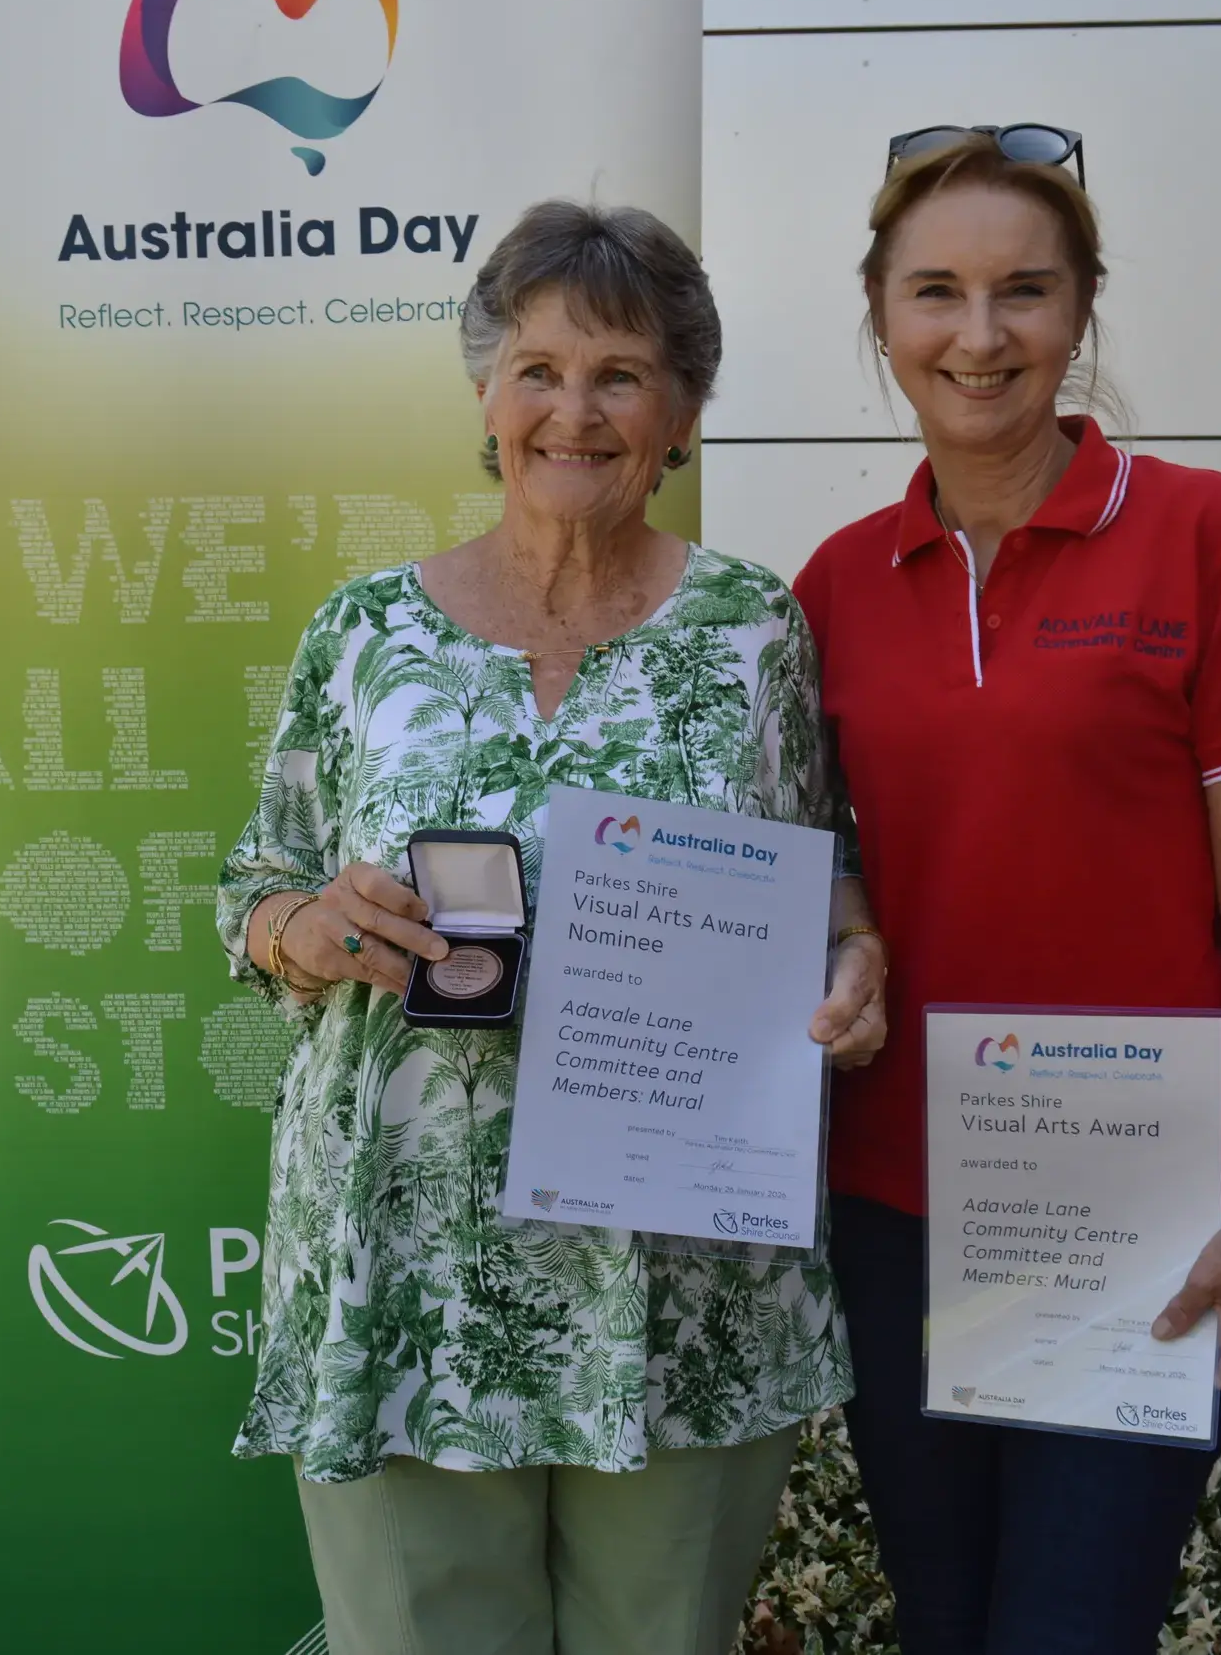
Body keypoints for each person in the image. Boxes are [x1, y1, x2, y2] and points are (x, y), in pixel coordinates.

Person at [216, 199, 890, 1655]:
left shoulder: (751, 631)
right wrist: (312, 926)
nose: (571, 411)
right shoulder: (366, 634)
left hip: (677, 1264)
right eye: (536, 369)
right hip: (410, 1265)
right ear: (484, 395)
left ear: (681, 414)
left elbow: (820, 872)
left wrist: (855, 962)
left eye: (620, 375)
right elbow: (250, 887)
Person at [790, 128, 1221, 1654]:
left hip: (1133, 1213)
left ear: (1081, 309)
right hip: (897, 1203)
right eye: (937, 292)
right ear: (882, 316)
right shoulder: (832, 584)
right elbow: (832, 884)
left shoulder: (1210, 539)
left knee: (1073, 1629)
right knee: (946, 1623)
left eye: (1024, 290)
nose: (980, 336)